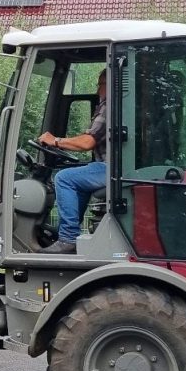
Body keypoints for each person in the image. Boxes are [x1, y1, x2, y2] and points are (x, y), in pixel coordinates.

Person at [37, 70, 108, 254]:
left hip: (111, 169)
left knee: (64, 178)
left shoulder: (109, 107)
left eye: (99, 85)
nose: (98, 90)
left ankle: (68, 238)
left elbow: (87, 142)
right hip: (113, 167)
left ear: (109, 85)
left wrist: (56, 141)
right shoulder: (114, 106)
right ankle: (68, 235)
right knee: (77, 182)